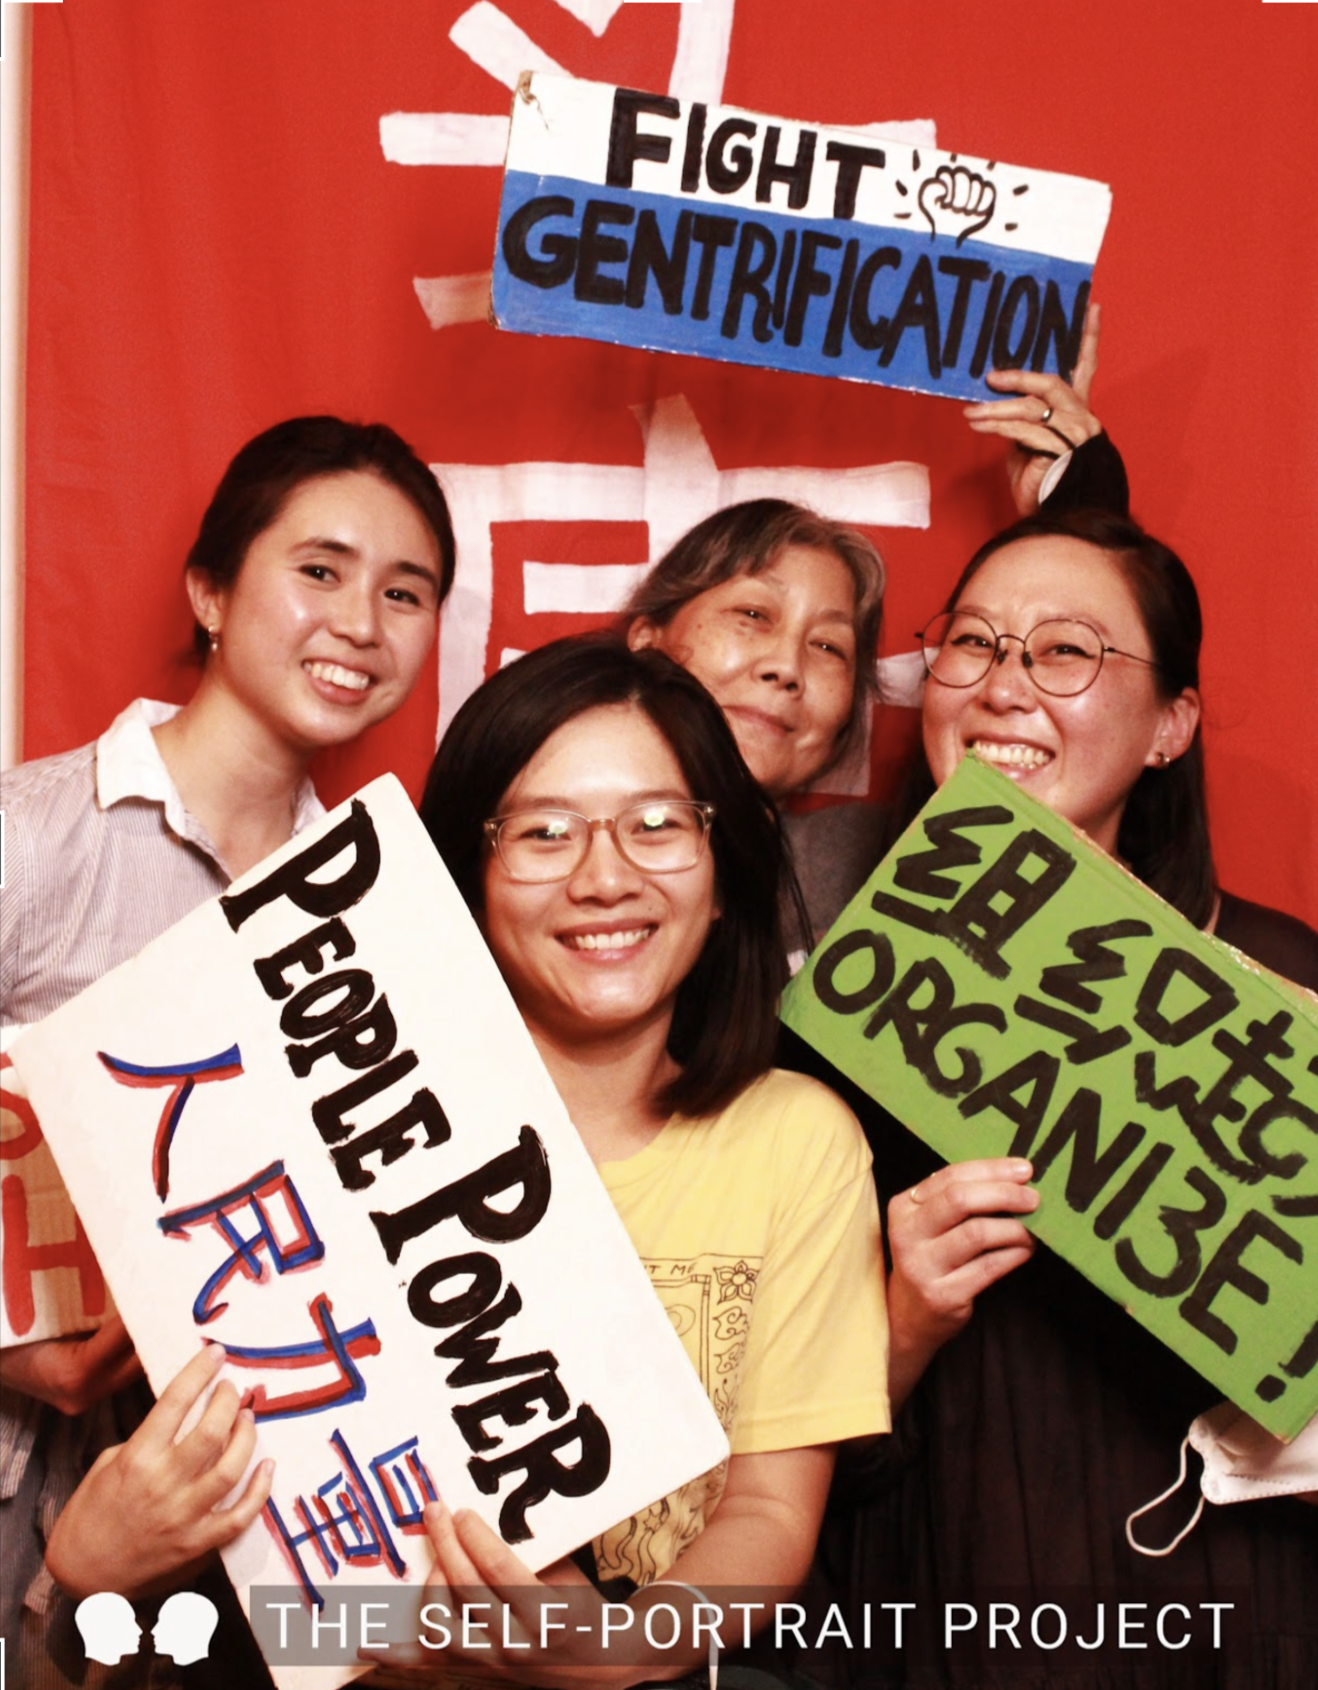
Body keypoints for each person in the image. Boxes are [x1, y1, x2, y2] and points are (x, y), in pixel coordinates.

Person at [797, 507, 1318, 1690]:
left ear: (1170, 725)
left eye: (1067, 651)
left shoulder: (1293, 984)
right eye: (972, 643)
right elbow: (769, 1462)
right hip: (946, 1614)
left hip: (1244, 1619)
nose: (1001, 686)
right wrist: (897, 1324)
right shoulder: (846, 1010)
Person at [1, 413, 455, 1689]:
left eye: (405, 590)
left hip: (266, 1521)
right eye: (319, 570)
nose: (362, 620)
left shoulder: (379, 916)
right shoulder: (36, 840)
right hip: (30, 1485)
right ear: (210, 590)